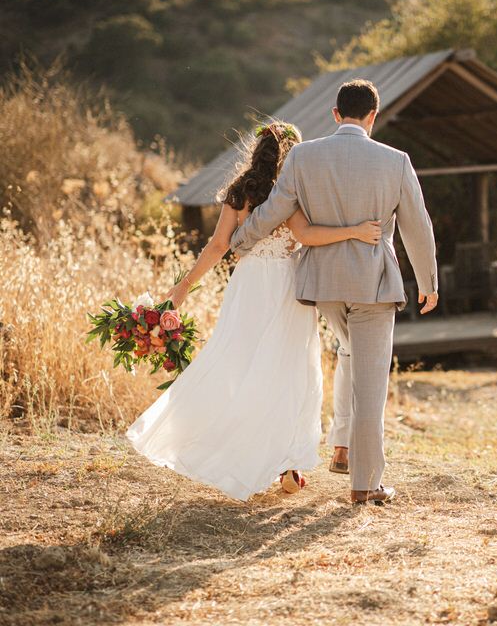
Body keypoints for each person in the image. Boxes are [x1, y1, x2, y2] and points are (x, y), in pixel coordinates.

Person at [126, 121, 382, 501]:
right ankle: (286, 465)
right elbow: (309, 237)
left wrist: (182, 288)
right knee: (288, 369)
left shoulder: (240, 192)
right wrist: (356, 231)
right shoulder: (289, 192)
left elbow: (217, 247)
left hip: (248, 286)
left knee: (238, 364)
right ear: (291, 154)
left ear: (256, 150)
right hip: (287, 288)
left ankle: (244, 450)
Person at [230, 80, 439, 505]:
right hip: (373, 287)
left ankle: (343, 446)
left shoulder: (304, 157)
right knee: (370, 382)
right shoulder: (396, 161)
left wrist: (240, 241)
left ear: (335, 113)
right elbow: (419, 227)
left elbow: (275, 210)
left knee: (349, 356)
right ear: (373, 116)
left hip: (323, 287)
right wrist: (429, 282)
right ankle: (365, 485)